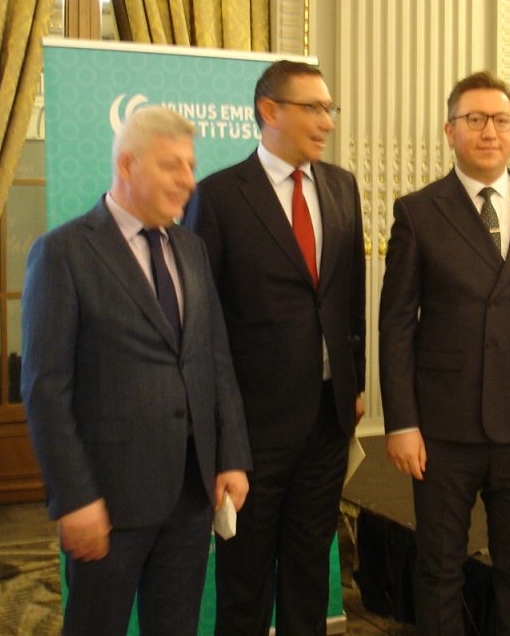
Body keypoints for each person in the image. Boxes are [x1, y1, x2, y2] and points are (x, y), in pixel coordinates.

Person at [21, 106, 251, 636]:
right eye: (172, 166)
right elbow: (45, 391)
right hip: (109, 500)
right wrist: (74, 496)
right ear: (127, 164)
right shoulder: (63, 253)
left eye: (191, 166)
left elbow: (215, 358)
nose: (188, 180)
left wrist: (232, 456)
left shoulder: (191, 249)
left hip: (191, 493)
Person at [379, 71, 510, 636]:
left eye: (500, 120)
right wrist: (401, 422)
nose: (489, 132)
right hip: (443, 429)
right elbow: (395, 326)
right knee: (439, 570)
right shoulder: (419, 212)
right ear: (450, 131)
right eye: (474, 120)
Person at [190, 60, 367, 634]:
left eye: (329, 109)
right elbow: (203, 321)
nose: (327, 122)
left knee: (309, 570)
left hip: (327, 420)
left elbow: (350, 296)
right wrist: (219, 425)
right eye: (314, 108)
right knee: (244, 580)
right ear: (269, 110)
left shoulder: (341, 186)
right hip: (252, 427)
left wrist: (356, 382)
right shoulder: (218, 197)